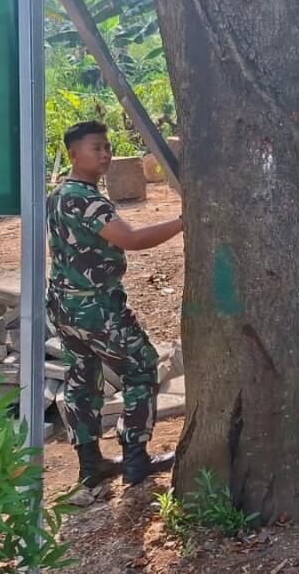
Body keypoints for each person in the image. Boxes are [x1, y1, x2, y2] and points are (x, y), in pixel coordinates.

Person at [46, 121, 182, 487]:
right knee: (141, 366)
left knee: (82, 377)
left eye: (107, 147)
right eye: (96, 148)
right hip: (95, 307)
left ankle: (90, 464)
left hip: (63, 305)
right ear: (74, 154)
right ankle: (135, 458)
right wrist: (183, 221)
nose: (105, 154)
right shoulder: (83, 197)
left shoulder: (60, 194)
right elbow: (131, 238)